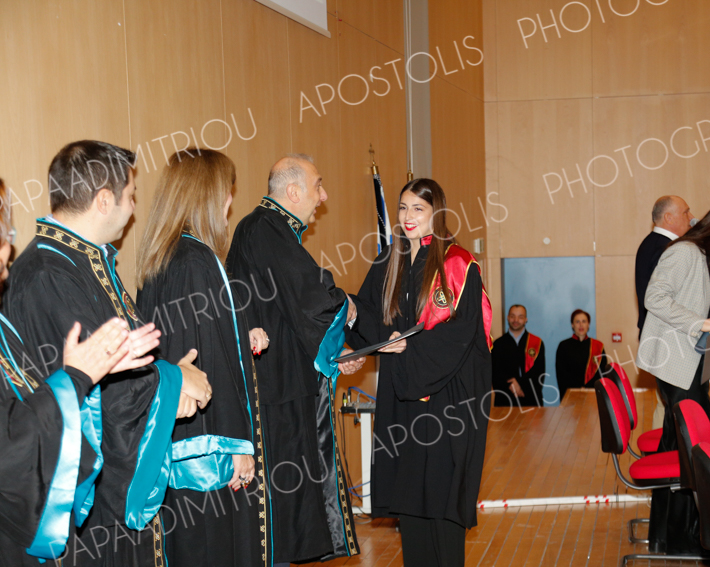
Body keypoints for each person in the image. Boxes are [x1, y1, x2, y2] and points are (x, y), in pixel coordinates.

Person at [4, 141, 211, 567]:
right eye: (131, 196)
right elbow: (96, 380)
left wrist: (172, 379)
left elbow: (120, 360)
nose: (134, 210)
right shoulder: (47, 272)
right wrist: (174, 382)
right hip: (87, 503)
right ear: (103, 200)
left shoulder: (83, 260)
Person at [0, 176, 161, 567]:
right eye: (4, 233)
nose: (9, 246)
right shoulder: (47, 270)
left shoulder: (85, 258)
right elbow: (12, 445)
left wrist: (85, 373)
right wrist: (76, 378)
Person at [345, 178, 493, 567]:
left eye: (418, 209)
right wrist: (354, 325)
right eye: (402, 208)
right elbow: (369, 316)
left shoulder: (455, 263)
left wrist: (407, 348)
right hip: (402, 400)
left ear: (435, 213)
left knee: (442, 503)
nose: (407, 216)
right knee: (410, 499)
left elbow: (461, 334)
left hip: (446, 403)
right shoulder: (389, 261)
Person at [135, 150, 271, 566]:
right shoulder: (196, 261)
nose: (229, 203)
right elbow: (205, 361)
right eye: (227, 191)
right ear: (207, 195)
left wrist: (239, 334)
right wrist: (236, 447)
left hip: (175, 444)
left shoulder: (165, 258)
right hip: (205, 454)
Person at [226, 154, 363, 564]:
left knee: (287, 503)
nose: (324, 196)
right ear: (293, 192)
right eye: (318, 186)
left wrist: (338, 348)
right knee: (280, 506)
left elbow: (296, 304)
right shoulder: (265, 228)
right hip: (276, 390)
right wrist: (346, 307)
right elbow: (309, 297)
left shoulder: (269, 229)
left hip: (282, 383)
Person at [636, 197, 710, 556]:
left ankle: (667, 535)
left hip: (692, 366)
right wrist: (698, 323)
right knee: (690, 456)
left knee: (678, 449)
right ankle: (682, 536)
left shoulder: (709, 258)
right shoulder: (683, 252)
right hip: (677, 365)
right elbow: (655, 298)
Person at [635, 195, 695, 429]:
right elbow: (661, 300)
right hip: (668, 339)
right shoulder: (666, 249)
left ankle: (661, 447)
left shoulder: (651, 243)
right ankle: (665, 449)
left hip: (661, 337)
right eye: (686, 212)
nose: (691, 217)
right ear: (668, 217)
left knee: (666, 404)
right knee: (673, 407)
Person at [491, 304, 547, 406]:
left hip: (531, 400)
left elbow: (539, 373)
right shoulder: (498, 344)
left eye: (520, 317)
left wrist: (521, 385)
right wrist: (512, 386)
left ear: (526, 320)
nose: (516, 320)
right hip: (505, 401)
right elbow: (495, 374)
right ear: (508, 318)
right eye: (512, 316)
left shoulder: (536, 343)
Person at [555, 309, 608, 399]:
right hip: (571, 395)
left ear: (588, 324)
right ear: (572, 325)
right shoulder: (563, 346)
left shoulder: (598, 346)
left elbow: (602, 373)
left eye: (584, 321)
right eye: (577, 322)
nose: (581, 325)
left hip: (593, 395)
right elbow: (562, 374)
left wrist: (587, 389)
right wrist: (578, 389)